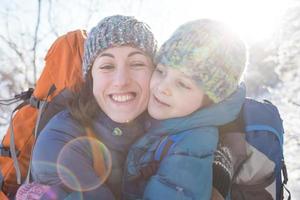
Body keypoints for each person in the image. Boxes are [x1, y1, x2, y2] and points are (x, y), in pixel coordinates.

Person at [16, 15, 157, 200]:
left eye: (137, 63)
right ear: (91, 79)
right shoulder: (62, 140)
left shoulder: (171, 126)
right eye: (107, 66)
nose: (121, 81)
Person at [122, 19, 248, 200]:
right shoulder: (166, 122)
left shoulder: (193, 145)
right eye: (161, 71)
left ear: (210, 99)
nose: (162, 87)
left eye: (182, 83)